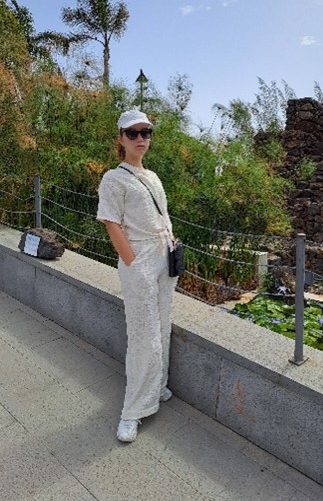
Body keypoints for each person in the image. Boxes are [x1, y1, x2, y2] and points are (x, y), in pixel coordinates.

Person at [97, 107, 177, 442]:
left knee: (162, 324)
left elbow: (163, 216)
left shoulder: (153, 176)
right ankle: (132, 411)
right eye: (133, 133)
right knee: (143, 333)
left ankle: (157, 387)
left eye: (146, 132)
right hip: (140, 260)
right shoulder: (113, 179)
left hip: (164, 257)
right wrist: (131, 260)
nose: (140, 138)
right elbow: (110, 221)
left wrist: (170, 246)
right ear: (121, 138)